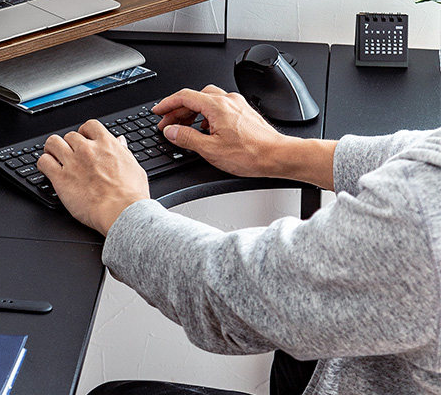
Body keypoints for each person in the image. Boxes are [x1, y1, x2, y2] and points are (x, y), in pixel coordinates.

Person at [36, 85, 441, 395]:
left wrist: (119, 207)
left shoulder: (425, 221)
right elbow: (427, 154)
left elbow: (226, 299)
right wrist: (276, 151)